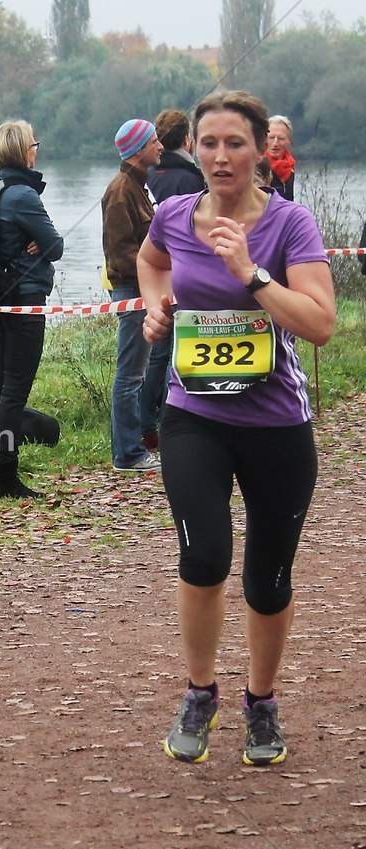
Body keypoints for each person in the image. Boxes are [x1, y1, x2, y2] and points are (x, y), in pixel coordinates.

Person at [139, 90, 335, 766]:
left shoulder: (290, 223)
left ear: (260, 152)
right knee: (203, 556)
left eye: (235, 143)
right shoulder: (173, 213)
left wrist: (249, 273)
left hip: (276, 421)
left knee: (267, 578)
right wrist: (156, 305)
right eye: (209, 143)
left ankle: (261, 701)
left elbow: (321, 323)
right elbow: (151, 261)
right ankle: (200, 692)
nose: (220, 156)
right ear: (192, 148)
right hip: (194, 416)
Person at [0, 120, 63, 497]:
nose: (36, 150)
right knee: (15, 390)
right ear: (23, 151)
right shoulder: (23, 195)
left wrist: (38, 240)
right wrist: (42, 241)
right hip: (24, 298)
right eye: (33, 144)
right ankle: (5, 476)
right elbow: (56, 246)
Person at [101, 118, 165, 472]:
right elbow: (120, 253)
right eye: (154, 141)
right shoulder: (120, 192)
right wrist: (155, 270)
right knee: (130, 375)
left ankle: (137, 443)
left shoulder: (139, 186)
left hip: (144, 289)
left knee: (139, 372)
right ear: (139, 149)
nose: (160, 146)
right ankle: (127, 453)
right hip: (133, 291)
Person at [143, 109, 207, 450]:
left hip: (155, 271)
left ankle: (151, 419)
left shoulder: (148, 175)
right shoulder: (191, 180)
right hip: (185, 271)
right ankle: (168, 414)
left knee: (155, 351)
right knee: (170, 350)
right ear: (187, 140)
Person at [256, 115, 295, 201]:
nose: (275, 143)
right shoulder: (257, 167)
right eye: (271, 138)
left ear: (289, 141)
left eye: (281, 138)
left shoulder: (289, 168)